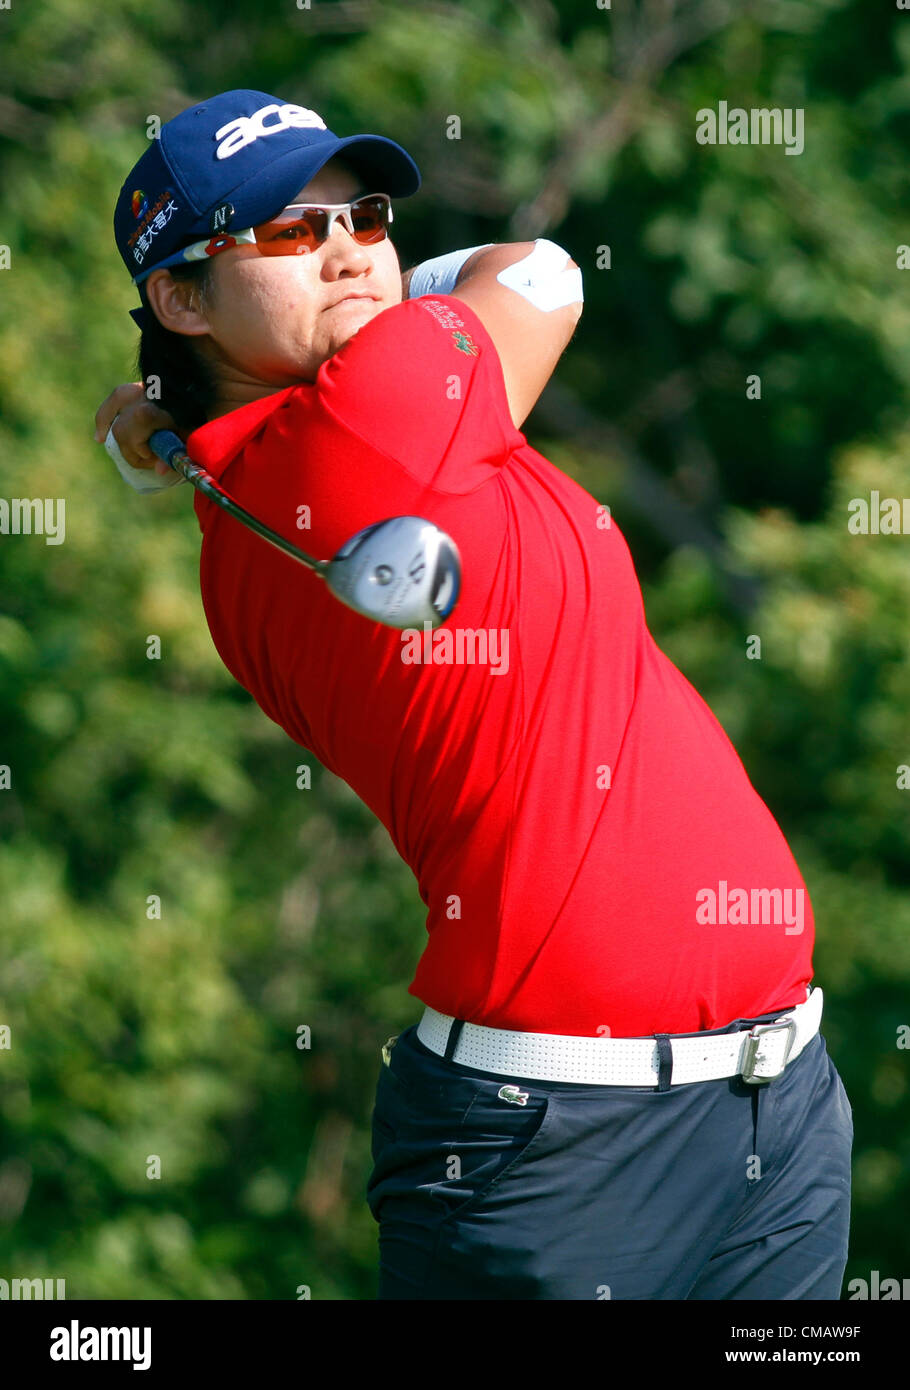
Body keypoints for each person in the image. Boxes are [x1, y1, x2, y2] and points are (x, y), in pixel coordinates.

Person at [95, 89, 853, 1301]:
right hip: (557, 1147)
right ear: (182, 298)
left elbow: (278, 393)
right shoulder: (384, 407)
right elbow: (540, 269)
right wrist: (170, 416)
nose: (349, 250)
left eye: (366, 218)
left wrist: (166, 417)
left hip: (770, 1106)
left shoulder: (255, 510)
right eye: (289, 233)